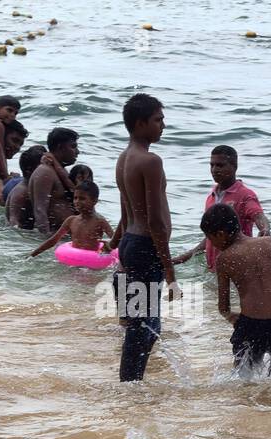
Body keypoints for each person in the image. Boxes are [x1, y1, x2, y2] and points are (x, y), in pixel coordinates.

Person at [202, 202, 271, 375]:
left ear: (221, 234)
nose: (211, 244)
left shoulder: (224, 259)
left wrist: (234, 320)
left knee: (245, 378)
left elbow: (223, 307)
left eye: (210, 238)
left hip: (250, 326)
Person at [113, 92, 176, 383]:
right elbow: (155, 221)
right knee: (145, 326)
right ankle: (130, 384)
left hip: (130, 243)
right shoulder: (150, 161)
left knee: (141, 323)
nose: (163, 125)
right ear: (140, 124)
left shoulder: (124, 158)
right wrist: (170, 270)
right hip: (145, 247)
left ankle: (131, 381)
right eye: (157, 120)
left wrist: (117, 245)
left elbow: (126, 211)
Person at [173, 145, 269, 270]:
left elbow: (259, 216)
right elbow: (210, 237)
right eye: (211, 165)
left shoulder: (245, 195)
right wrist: (182, 258)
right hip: (214, 268)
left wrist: (265, 229)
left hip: (238, 268)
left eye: (220, 165)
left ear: (234, 166)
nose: (214, 169)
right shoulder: (211, 197)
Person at [28, 181, 113, 257]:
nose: (77, 201)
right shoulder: (71, 220)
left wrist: (110, 245)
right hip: (73, 259)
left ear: (94, 201)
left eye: (82, 198)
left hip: (91, 262)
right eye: (75, 198)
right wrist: (33, 254)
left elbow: (116, 239)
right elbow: (53, 240)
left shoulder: (100, 221)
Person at [29, 127, 80, 235]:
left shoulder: (60, 171)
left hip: (65, 238)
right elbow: (40, 210)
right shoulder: (45, 172)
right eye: (73, 147)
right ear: (60, 147)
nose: (77, 152)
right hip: (55, 238)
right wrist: (47, 241)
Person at [5, 145, 46, 229]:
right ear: (29, 171)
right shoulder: (22, 192)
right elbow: (13, 222)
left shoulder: (31, 188)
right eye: (42, 168)